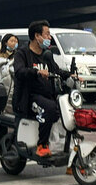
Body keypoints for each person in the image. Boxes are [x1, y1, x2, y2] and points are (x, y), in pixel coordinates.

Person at [13, 20, 73, 157]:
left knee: (66, 110)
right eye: (47, 34)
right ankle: (42, 145)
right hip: (30, 97)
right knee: (50, 109)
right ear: (37, 36)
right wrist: (36, 72)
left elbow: (56, 70)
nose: (49, 38)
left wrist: (71, 75)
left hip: (47, 96)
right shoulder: (22, 53)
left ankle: (64, 147)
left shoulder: (47, 54)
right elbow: (19, 72)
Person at [0, 34, 18, 111]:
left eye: (16, 41)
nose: (14, 43)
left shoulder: (17, 53)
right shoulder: (0, 51)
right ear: (5, 42)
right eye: (12, 41)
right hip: (1, 75)